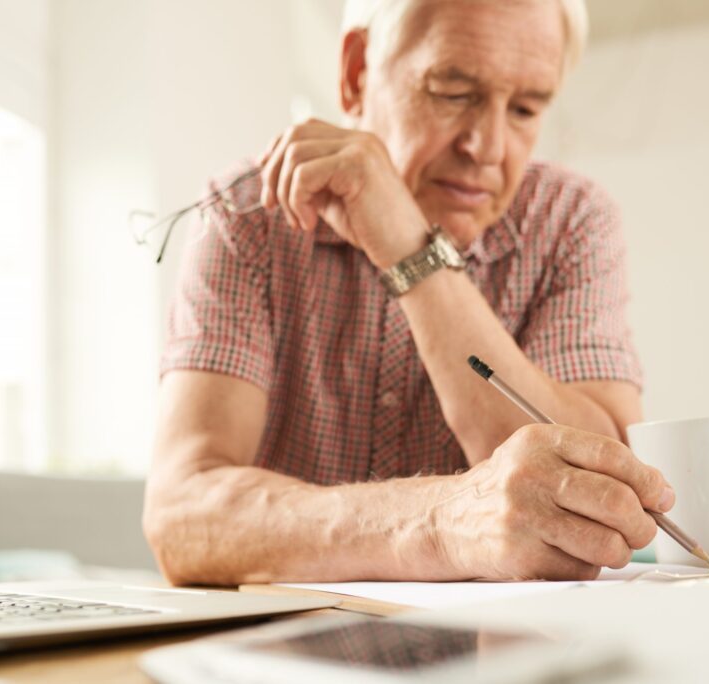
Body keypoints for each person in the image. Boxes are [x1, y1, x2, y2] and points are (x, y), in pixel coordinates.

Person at [143, 0, 674, 586]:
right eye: (451, 91)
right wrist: (442, 523)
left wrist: (411, 251)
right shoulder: (248, 215)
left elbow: (609, 500)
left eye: (525, 108)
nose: (489, 148)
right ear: (356, 73)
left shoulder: (570, 221)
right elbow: (181, 517)